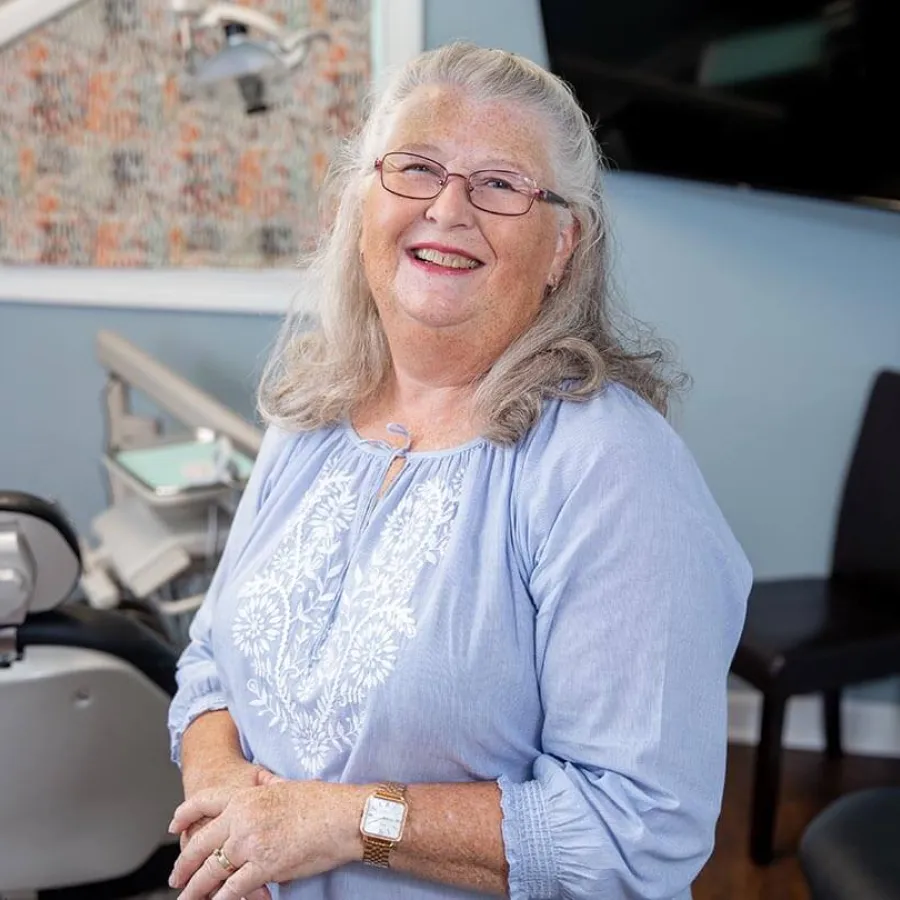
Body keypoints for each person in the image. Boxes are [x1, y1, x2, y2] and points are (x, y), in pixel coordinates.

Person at [166, 41, 751, 900]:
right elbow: (210, 662)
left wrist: (341, 819)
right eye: (416, 168)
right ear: (360, 206)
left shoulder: (610, 469)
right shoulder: (314, 412)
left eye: (501, 185)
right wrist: (222, 794)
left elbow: (639, 830)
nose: (448, 208)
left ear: (563, 245)